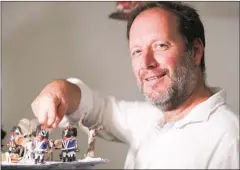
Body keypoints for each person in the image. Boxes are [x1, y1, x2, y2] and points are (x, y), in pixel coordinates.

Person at [31, 1, 239, 169]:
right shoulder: (153, 117)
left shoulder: (228, 139)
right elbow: (100, 110)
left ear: (195, 52)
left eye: (160, 45)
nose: (146, 63)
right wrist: (57, 90)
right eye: (137, 51)